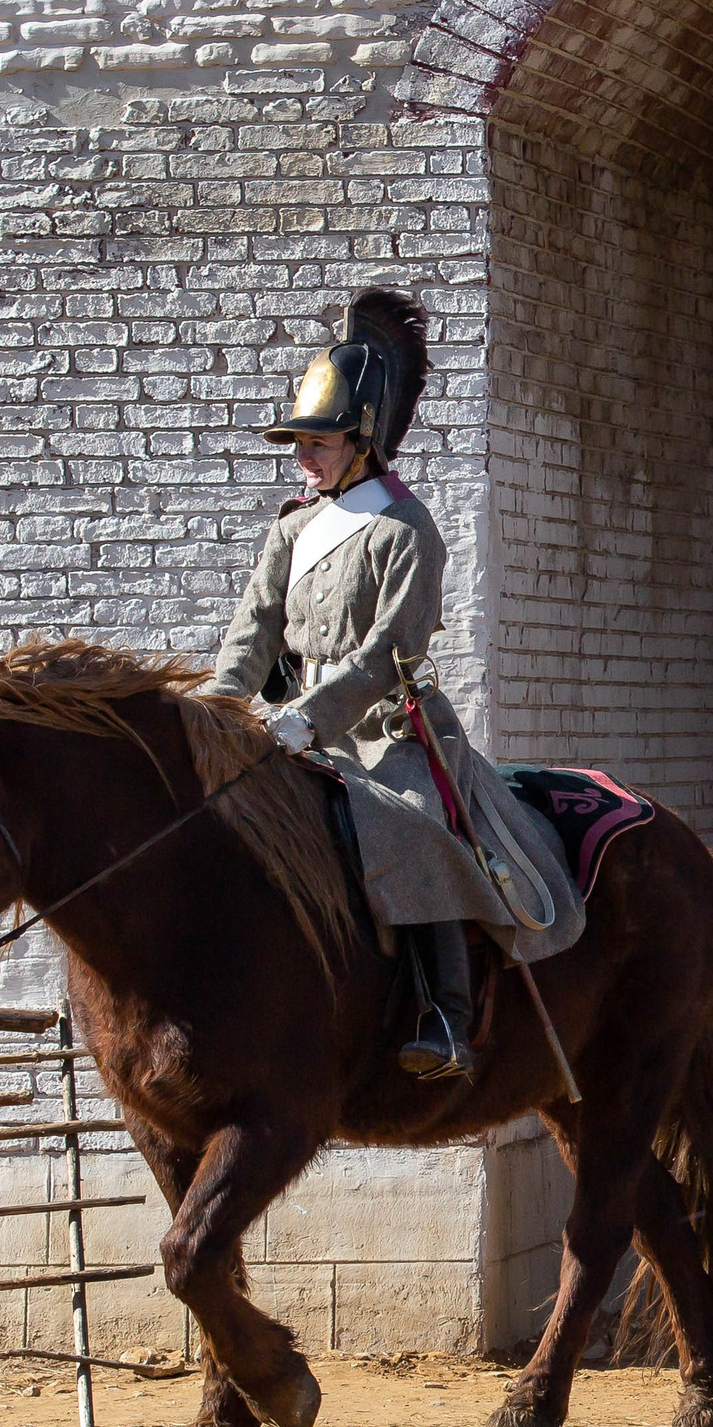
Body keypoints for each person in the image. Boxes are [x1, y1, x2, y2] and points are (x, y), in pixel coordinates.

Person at [205, 289, 562, 1083]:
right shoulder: (291, 530)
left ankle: (446, 1017)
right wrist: (219, 712)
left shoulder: (408, 530)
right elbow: (252, 631)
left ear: (361, 440)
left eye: (319, 440)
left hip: (386, 726)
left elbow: (386, 654)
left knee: (415, 831)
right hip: (287, 724)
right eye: (299, 441)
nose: (305, 455)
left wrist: (311, 719)